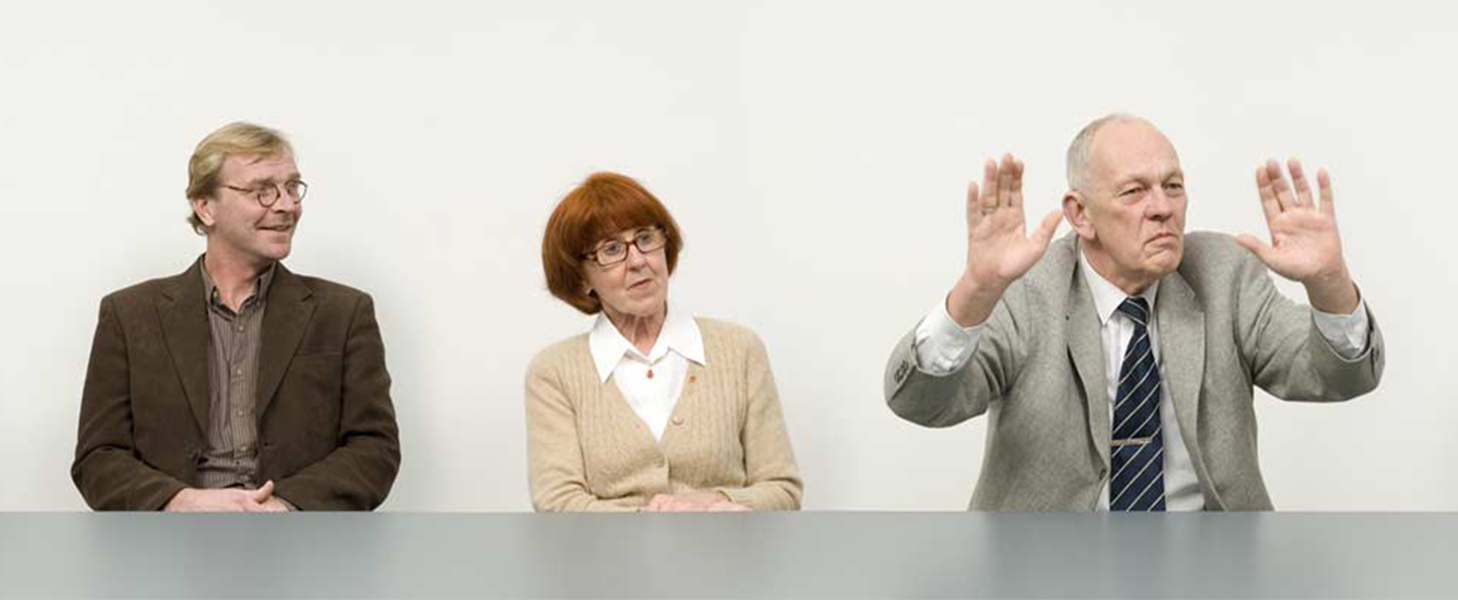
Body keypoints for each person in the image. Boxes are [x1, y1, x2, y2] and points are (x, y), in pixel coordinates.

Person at [884, 114, 1384, 511]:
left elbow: (1339, 376)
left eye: (1173, 186)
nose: (1162, 207)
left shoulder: (1223, 273)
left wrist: (1328, 282)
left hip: (1212, 565)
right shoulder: (1027, 289)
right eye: (1134, 191)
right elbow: (920, 402)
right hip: (1047, 564)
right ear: (1081, 214)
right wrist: (976, 290)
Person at [72, 122, 401, 511]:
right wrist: (183, 502)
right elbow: (98, 457)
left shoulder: (344, 313)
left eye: (291, 187)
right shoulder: (128, 315)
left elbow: (374, 449)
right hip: (171, 534)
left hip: (299, 533)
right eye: (262, 190)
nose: (286, 205)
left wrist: (283, 505)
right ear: (205, 206)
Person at [527, 172, 802, 512]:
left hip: (725, 545)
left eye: (645, 238)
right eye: (611, 249)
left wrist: (718, 502)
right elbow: (557, 502)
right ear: (581, 278)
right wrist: (651, 519)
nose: (638, 261)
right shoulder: (553, 372)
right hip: (610, 550)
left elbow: (782, 489)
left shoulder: (740, 349)